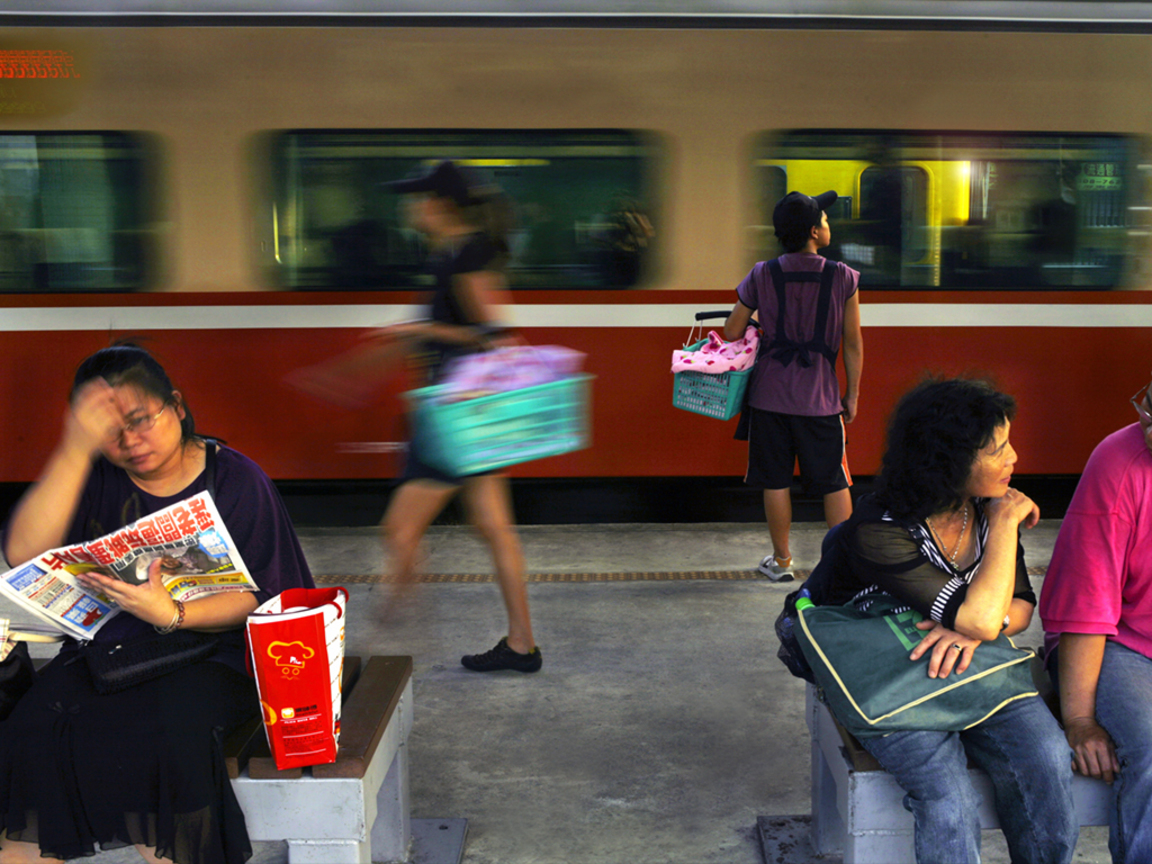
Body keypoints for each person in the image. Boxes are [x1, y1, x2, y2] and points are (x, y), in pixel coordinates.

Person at [0, 343, 314, 864]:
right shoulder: (93, 476)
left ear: (177, 405)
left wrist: (171, 613)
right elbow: (21, 553)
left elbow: (267, 600)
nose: (130, 441)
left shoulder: (236, 479)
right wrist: (74, 450)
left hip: (216, 655)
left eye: (141, 420)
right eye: (110, 432)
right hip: (114, 653)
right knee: (35, 726)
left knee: (164, 736)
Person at [814, 377, 1077, 864]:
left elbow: (1019, 607)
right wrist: (1004, 528)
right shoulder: (878, 527)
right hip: (891, 672)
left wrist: (973, 630)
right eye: (997, 449)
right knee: (948, 797)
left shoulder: (987, 507)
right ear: (947, 460)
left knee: (1048, 757)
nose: (1014, 457)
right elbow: (981, 617)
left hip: (971, 663)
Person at [380, 160, 541, 674]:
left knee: (400, 529)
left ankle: (390, 645)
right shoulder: (454, 253)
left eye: (418, 197)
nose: (410, 207)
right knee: (494, 527)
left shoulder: (467, 255)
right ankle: (521, 645)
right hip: (465, 412)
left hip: (457, 416)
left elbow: (492, 334)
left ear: (440, 205)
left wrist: (418, 332)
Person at [1039, 375, 1152, 864]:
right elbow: (1087, 605)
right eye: (1149, 408)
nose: (1148, 427)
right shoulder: (1119, 461)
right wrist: (1080, 719)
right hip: (1121, 642)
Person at [723, 190, 863, 581]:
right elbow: (852, 342)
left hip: (769, 396)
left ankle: (782, 562)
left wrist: (763, 326)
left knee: (775, 481)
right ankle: (843, 567)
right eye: (825, 220)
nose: (828, 225)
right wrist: (852, 394)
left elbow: (732, 331)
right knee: (834, 482)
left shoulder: (761, 273)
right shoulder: (843, 277)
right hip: (821, 399)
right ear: (814, 232)